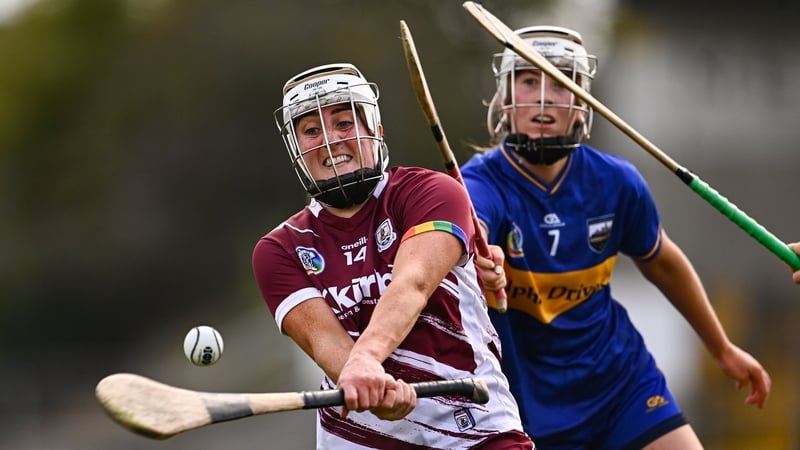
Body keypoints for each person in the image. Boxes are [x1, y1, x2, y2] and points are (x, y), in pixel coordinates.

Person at [460, 26, 772, 450]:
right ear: (505, 98)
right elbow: (464, 236)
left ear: (581, 102)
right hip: (524, 400)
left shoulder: (616, 182)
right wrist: (477, 257)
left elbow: (663, 262)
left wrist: (722, 349)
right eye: (530, 81)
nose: (544, 97)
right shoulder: (478, 185)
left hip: (619, 384)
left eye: (561, 81)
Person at [251, 62, 533, 449]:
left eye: (344, 123)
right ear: (297, 149)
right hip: (361, 436)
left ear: (375, 130)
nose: (330, 141)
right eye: (312, 130)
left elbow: (412, 284)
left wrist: (366, 360)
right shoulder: (278, 250)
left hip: (475, 429)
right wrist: (365, 378)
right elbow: (325, 344)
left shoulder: (433, 193)